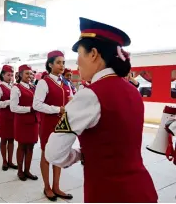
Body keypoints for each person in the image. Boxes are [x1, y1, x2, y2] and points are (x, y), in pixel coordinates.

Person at [45, 17, 158, 203]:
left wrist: (80, 155)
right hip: (142, 190)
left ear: (93, 54)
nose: (76, 63)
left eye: (79, 55)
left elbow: (54, 153)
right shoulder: (133, 91)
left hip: (108, 193)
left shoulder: (89, 96)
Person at [32, 50, 73, 201]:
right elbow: (36, 105)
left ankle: (56, 186)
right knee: (47, 154)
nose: (62, 65)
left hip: (62, 124)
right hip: (49, 123)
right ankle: (47, 187)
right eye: (58, 62)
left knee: (59, 154)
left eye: (63, 62)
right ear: (50, 64)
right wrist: (57, 109)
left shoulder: (65, 82)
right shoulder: (44, 82)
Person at [10, 64, 39, 181]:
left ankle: (27, 170)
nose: (30, 75)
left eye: (31, 73)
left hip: (33, 122)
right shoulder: (16, 88)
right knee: (22, 146)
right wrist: (30, 109)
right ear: (20, 74)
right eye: (27, 73)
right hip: (22, 121)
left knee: (31, 147)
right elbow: (13, 107)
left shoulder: (33, 87)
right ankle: (20, 171)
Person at [0, 65, 18, 171]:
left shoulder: (14, 87)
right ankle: (4, 161)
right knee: (4, 139)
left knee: (12, 139)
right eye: (8, 75)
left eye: (12, 75)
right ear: (3, 75)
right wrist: (9, 102)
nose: (10, 77)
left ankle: (10, 160)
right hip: (4, 116)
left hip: (14, 116)